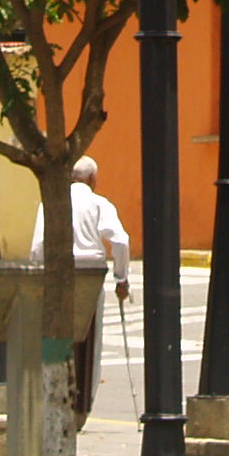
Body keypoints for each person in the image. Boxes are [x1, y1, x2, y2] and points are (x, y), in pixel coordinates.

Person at [29, 154, 133, 415]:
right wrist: (122, 278)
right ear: (93, 179)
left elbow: (37, 246)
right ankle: (83, 404)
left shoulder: (51, 203)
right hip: (91, 273)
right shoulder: (99, 203)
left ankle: (54, 400)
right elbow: (120, 241)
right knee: (89, 336)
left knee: (56, 334)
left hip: (57, 273)